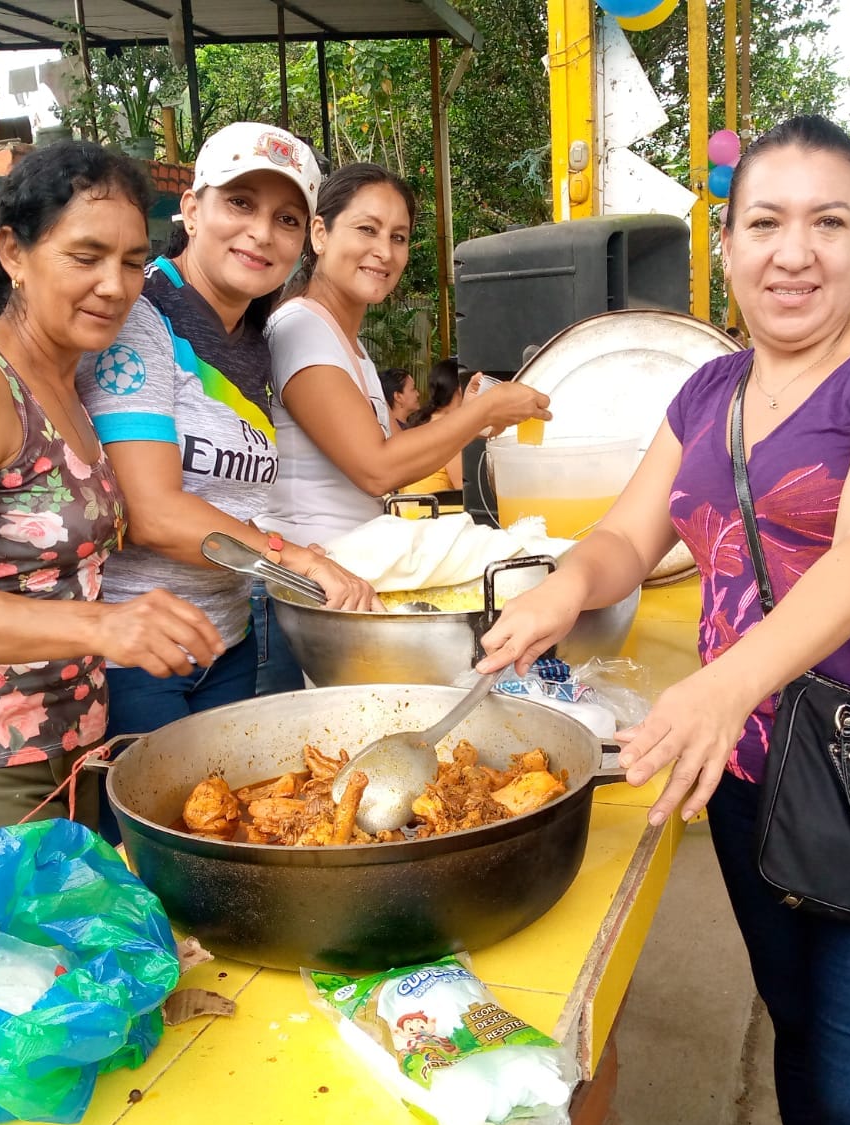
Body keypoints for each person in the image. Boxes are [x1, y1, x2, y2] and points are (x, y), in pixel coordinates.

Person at [477, 115, 850, 1125]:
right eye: (765, 223)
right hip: (753, 776)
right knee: (800, 1045)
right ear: (726, 246)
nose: (793, 253)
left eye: (827, 223)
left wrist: (719, 686)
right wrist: (561, 588)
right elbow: (628, 538)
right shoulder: (705, 394)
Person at [0, 141, 224, 858]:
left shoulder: (69, 382)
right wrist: (106, 626)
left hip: (72, 749)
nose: (114, 285)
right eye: (85, 257)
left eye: (132, 261)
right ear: (13, 252)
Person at [75, 123, 375, 736]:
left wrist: (288, 550)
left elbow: (228, 501)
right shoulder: (141, 319)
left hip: (227, 642)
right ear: (191, 210)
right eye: (240, 203)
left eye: (287, 219)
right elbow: (152, 513)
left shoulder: (253, 339)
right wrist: (293, 559)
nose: (262, 232)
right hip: (136, 656)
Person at [260, 161, 550, 547]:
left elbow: (398, 456)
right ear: (320, 234)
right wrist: (484, 410)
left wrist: (467, 416)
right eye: (367, 229)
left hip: (352, 557)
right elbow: (377, 469)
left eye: (398, 237)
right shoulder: (302, 328)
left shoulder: (346, 343)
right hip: (309, 565)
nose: (384, 251)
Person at [396, 356, 472, 496]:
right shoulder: (450, 430)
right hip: (436, 507)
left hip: (411, 506)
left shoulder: (423, 422)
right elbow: (464, 490)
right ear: (461, 389)